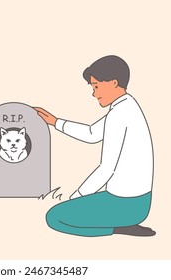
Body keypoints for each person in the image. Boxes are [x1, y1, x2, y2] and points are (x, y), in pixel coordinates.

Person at [35, 55, 155, 237]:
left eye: (96, 86)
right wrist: (55, 122)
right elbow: (92, 133)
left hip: (125, 204)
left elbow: (107, 168)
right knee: (63, 213)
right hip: (138, 202)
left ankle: (118, 229)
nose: (94, 93)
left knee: (55, 217)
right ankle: (122, 226)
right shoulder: (126, 106)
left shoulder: (120, 114)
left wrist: (76, 197)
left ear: (114, 83)